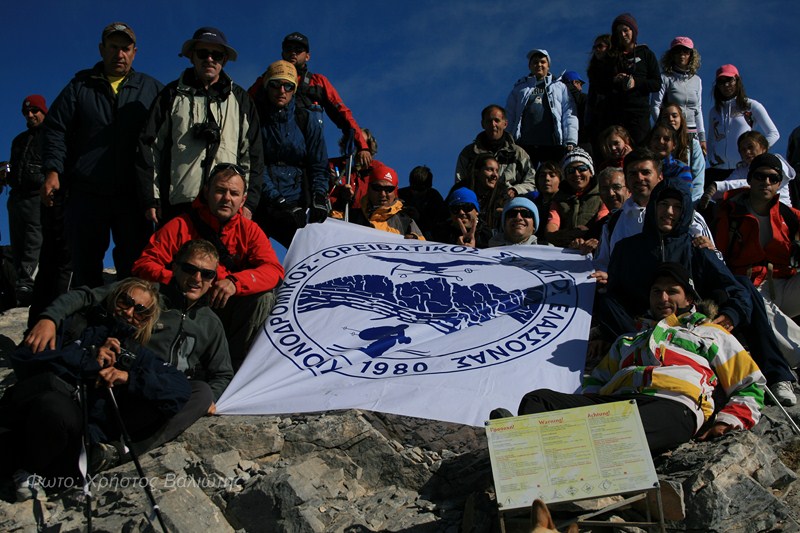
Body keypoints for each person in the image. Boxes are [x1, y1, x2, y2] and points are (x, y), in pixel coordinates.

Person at [495, 262, 765, 455]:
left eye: (672, 291)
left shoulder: (709, 333)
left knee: (624, 426)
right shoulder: (628, 340)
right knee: (538, 400)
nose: (663, 297)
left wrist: (726, 421)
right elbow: (596, 384)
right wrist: (589, 404)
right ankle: (545, 440)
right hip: (617, 404)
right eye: (656, 291)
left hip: (673, 405)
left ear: (689, 298)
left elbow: (750, 384)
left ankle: (528, 439)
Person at [3, 278, 210, 499]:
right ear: (113, 298)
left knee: (58, 411)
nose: (129, 311)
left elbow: (179, 388)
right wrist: (87, 360)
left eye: (141, 311)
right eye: (125, 301)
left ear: (146, 321)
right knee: (52, 405)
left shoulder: (135, 354)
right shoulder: (74, 325)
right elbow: (24, 358)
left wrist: (129, 378)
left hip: (76, 441)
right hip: (30, 417)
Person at [604, 177, 797, 406]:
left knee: (745, 286)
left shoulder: (695, 247)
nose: (669, 212)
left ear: (685, 212)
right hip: (643, 328)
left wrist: (730, 316)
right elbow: (614, 295)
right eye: (663, 204)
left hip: (694, 325)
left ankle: (777, 375)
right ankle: (639, 354)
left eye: (677, 207)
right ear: (653, 206)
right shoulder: (627, 249)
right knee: (605, 299)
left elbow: (734, 288)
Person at [26, 239, 234, 404]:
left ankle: (117, 449)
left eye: (207, 274)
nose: (197, 278)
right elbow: (86, 297)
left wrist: (212, 398)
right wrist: (49, 319)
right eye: (190, 269)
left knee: (201, 392)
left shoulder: (211, 323)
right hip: (124, 379)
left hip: (167, 389)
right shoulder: (147, 294)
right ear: (175, 266)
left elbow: (222, 374)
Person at [41, 22, 163, 289]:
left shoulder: (152, 89)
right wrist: (53, 170)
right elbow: (55, 129)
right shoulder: (79, 87)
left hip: (134, 196)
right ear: (101, 49)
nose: (120, 54)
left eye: (126, 48)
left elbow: (167, 139)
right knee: (84, 266)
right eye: (113, 47)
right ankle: (86, 326)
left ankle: (129, 327)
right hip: (87, 193)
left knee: (136, 267)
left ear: (135, 52)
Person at [133, 164, 285, 367]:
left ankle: (234, 368)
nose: (227, 198)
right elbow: (143, 265)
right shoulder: (180, 225)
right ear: (207, 192)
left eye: (234, 193)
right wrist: (184, 280)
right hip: (183, 305)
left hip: (224, 304)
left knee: (264, 298)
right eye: (220, 191)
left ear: (243, 199)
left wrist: (234, 282)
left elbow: (274, 270)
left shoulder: (250, 230)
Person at [138, 27, 264, 225]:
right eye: (203, 53)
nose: (210, 59)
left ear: (224, 59)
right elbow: (150, 148)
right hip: (178, 206)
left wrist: (248, 203)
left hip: (226, 207)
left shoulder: (241, 100)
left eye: (217, 54)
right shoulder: (170, 95)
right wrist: (151, 198)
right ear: (191, 57)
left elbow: (253, 155)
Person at [715, 153, 800, 386]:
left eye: (774, 178)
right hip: (750, 286)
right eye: (761, 176)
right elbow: (718, 256)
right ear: (750, 179)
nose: (767, 183)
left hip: (784, 283)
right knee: (761, 306)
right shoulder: (729, 212)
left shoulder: (788, 215)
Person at [248, 31, 372, 169]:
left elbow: (343, 114)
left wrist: (363, 146)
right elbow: (244, 108)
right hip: (269, 157)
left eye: (299, 50)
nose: (293, 53)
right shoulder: (265, 81)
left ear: (307, 56)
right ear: (282, 53)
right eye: (289, 49)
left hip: (307, 158)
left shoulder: (318, 82)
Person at [252, 60, 328, 248]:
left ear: (294, 89)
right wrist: (279, 200)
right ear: (266, 86)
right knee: (255, 257)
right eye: (275, 84)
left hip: (298, 199)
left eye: (288, 85)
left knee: (306, 257)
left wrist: (319, 196)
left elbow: (318, 164)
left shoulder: (305, 119)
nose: (282, 90)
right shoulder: (254, 119)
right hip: (262, 201)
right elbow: (254, 164)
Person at [587, 13, 660, 146]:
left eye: (626, 30)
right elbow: (599, 84)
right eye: (619, 32)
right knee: (616, 155)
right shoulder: (612, 56)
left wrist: (635, 82)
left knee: (640, 153)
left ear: (633, 31)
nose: (623, 34)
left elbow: (656, 84)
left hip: (639, 115)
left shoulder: (646, 54)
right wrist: (614, 80)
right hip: (614, 115)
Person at [505, 49, 578, 167]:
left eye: (542, 62)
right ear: (530, 66)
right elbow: (509, 114)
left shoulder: (559, 87)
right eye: (535, 62)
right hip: (525, 144)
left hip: (552, 144)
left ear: (548, 65)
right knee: (525, 179)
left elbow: (569, 113)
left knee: (551, 177)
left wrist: (570, 139)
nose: (539, 65)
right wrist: (507, 139)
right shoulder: (520, 88)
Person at [6, 96, 47, 305]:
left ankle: (29, 283)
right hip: (16, 197)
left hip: (36, 196)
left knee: (34, 241)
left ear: (43, 111)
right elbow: (15, 165)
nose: (30, 115)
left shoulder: (52, 135)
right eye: (26, 112)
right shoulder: (19, 140)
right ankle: (20, 283)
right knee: (18, 243)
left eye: (34, 111)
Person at [707, 64, 779, 182]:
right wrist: (712, 160)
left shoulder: (751, 106)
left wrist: (758, 153)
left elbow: (774, 133)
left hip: (742, 169)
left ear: (737, 80)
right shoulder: (714, 111)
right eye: (721, 81)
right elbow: (711, 140)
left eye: (730, 80)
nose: (726, 85)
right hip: (718, 169)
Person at [454, 104, 536, 197]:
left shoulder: (518, 153)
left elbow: (532, 181)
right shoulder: (469, 153)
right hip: (477, 204)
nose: (493, 124)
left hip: (509, 204)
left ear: (505, 124)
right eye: (489, 121)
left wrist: (516, 190)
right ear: (482, 124)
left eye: (497, 120)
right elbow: (459, 184)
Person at [704, 131, 795, 208]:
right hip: (755, 214)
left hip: (781, 213)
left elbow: (758, 183)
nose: (747, 152)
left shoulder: (774, 161)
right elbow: (727, 185)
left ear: (763, 148)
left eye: (750, 147)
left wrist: (718, 186)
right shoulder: (742, 170)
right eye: (743, 150)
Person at [342, 161, 424, 239]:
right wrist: (341, 202)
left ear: (395, 191)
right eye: (377, 188)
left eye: (389, 189)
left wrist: (415, 241)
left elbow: (424, 247)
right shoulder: (349, 216)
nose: (383, 194)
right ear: (369, 189)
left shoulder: (406, 222)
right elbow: (332, 226)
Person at [651, 37, 706, 153]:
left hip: (692, 134)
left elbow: (698, 109)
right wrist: (664, 128)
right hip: (672, 132)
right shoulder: (665, 78)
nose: (682, 55)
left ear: (691, 55)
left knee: (692, 168)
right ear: (672, 55)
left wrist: (702, 138)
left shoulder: (697, 80)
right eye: (677, 51)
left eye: (685, 51)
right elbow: (655, 105)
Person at [545, 148, 608, 247]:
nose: (577, 174)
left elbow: (603, 222)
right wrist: (570, 236)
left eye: (582, 168)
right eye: (571, 171)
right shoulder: (558, 199)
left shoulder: (603, 195)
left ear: (591, 172)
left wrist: (587, 237)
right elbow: (552, 226)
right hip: (565, 249)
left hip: (595, 247)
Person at [657, 103, 706, 202]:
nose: (670, 119)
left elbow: (698, 181)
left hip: (688, 201)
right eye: (666, 117)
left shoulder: (693, 145)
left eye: (674, 116)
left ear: (681, 119)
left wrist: (690, 205)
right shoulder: (656, 145)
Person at [329, 128, 379, 219]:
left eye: (363, 143)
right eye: (355, 143)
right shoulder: (332, 166)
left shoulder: (377, 170)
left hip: (366, 222)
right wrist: (340, 194)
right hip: (335, 218)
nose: (358, 149)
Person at [397, 165, 447, 240]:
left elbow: (440, 223)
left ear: (428, 187)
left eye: (420, 189)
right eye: (413, 188)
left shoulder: (434, 198)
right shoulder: (401, 194)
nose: (416, 192)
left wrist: (420, 218)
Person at [647, 120, 694, 198]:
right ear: (650, 142)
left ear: (674, 145)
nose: (661, 142)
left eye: (666, 139)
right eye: (656, 138)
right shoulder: (643, 167)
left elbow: (684, 195)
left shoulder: (680, 169)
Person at [560, 71, 589, 149]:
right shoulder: (584, 98)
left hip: (560, 145)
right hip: (584, 142)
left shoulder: (556, 101)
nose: (581, 88)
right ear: (575, 82)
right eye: (580, 84)